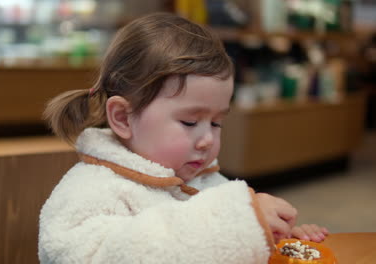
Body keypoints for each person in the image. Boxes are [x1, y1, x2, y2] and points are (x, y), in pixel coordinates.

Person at [39, 12, 328, 264]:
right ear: (123, 118)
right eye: (190, 121)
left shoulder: (205, 179)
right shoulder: (92, 190)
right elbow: (90, 256)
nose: (206, 140)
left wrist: (270, 238)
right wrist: (235, 223)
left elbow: (229, 247)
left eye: (216, 123)